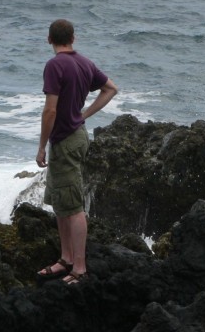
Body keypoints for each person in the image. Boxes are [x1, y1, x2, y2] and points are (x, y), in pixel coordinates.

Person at [36, 19, 118, 285]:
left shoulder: (54, 65)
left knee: (73, 207)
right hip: (76, 136)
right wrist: (84, 115)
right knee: (61, 201)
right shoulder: (84, 63)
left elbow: (50, 110)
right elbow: (111, 89)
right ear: (74, 38)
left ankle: (79, 269)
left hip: (65, 140)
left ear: (49, 39)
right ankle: (66, 258)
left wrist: (41, 146)